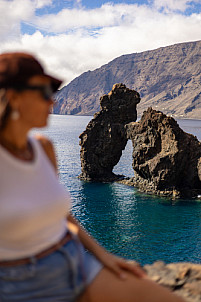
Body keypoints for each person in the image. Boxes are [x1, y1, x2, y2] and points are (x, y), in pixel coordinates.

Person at [0, 52, 184, 302]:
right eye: (43, 92)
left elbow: (63, 216)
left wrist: (104, 256)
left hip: (73, 262)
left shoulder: (43, 149)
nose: (52, 102)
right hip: (17, 282)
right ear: (13, 96)